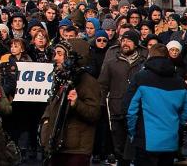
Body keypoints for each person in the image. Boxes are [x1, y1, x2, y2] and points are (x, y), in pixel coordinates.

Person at [125, 44, 187, 166]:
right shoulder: (178, 80)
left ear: (150, 56)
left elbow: (130, 109)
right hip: (170, 139)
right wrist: (177, 122)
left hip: (146, 140)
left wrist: (133, 131)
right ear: (167, 57)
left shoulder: (141, 77)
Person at [40, 38, 101, 166]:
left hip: (76, 150)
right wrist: (45, 128)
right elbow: (50, 108)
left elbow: (94, 114)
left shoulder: (88, 82)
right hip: (56, 146)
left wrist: (76, 104)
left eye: (60, 54)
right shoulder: (60, 79)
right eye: (55, 54)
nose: (55, 58)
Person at [99, 29, 145, 166]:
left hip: (136, 111)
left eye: (129, 41)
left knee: (133, 145)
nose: (125, 43)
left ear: (136, 44)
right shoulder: (112, 63)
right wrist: (101, 104)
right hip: (116, 109)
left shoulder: (143, 63)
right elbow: (102, 85)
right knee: (118, 145)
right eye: (123, 40)